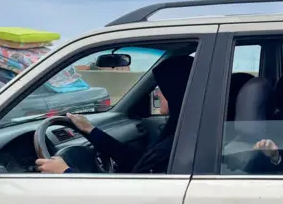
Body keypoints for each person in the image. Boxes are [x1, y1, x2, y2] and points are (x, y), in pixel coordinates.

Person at [35, 55, 195, 174]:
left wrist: (66, 173)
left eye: (162, 87)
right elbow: (136, 160)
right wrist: (91, 130)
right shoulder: (185, 130)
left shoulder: (177, 146)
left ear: (177, 90)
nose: (158, 94)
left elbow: (136, 192)